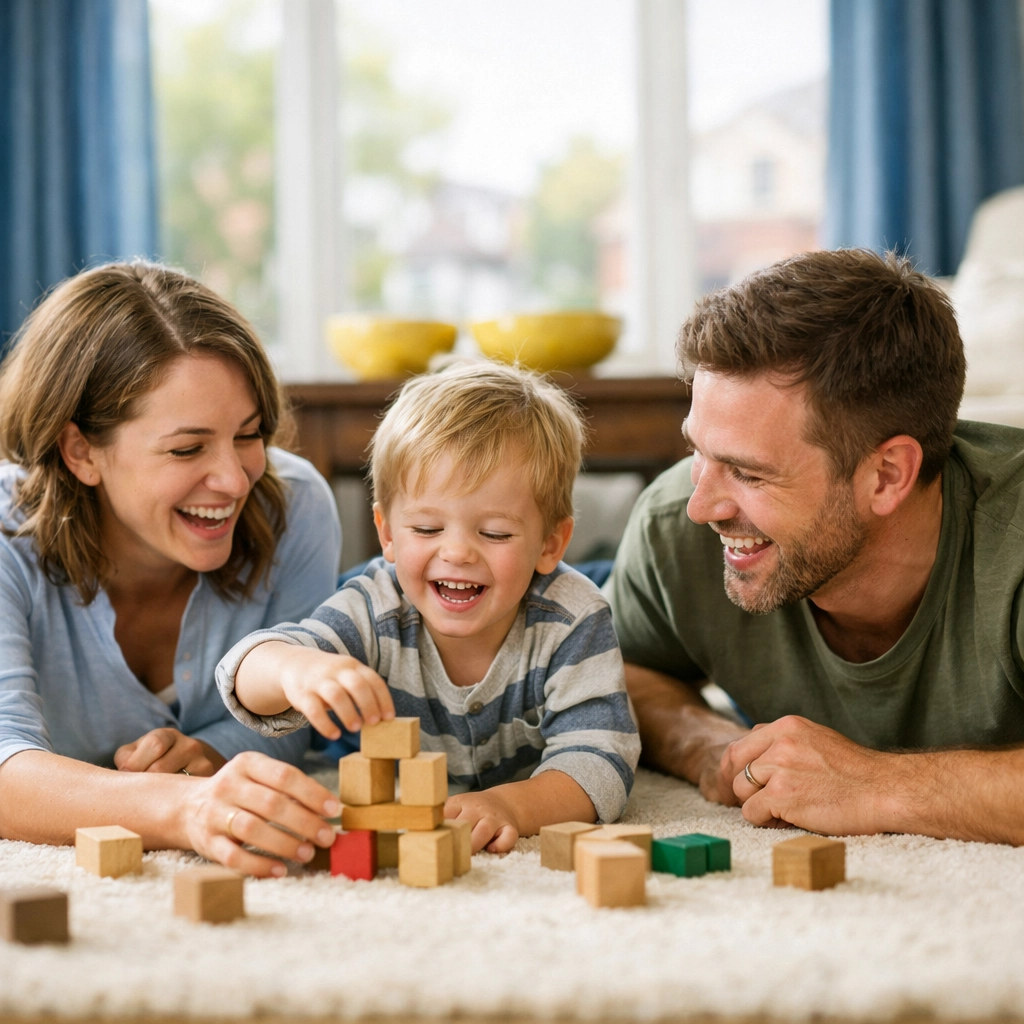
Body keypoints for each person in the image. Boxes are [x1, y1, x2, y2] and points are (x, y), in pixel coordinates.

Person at [607, 248, 1024, 846]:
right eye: (699, 452)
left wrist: (875, 784)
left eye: (749, 474)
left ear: (886, 475)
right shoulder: (674, 520)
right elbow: (627, 668)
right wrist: (709, 746)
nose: (703, 507)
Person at [0, 262, 343, 876]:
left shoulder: (296, 506)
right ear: (80, 450)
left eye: (248, 434)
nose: (236, 480)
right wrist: (184, 807)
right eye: (187, 449)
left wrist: (212, 753)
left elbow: (290, 724)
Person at [216, 361, 641, 852]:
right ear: (387, 533)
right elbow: (244, 669)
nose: (457, 553)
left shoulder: (573, 619)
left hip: (528, 780)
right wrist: (296, 669)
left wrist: (514, 806)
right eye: (426, 529)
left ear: (551, 543)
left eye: (495, 533)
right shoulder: (375, 604)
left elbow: (600, 761)